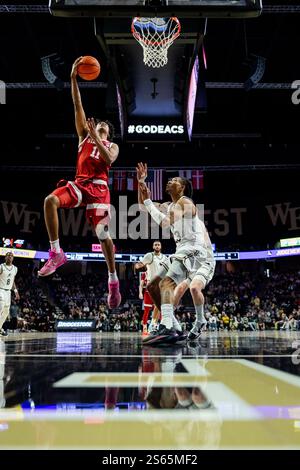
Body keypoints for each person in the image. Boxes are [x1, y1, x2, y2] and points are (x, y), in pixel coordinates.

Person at [38, 57, 121, 309]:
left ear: (108, 131)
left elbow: (108, 160)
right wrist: (73, 78)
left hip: (99, 190)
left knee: (103, 235)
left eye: (105, 125)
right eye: (100, 124)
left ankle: (113, 279)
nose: (101, 123)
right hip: (80, 184)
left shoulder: (112, 145)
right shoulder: (84, 136)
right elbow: (77, 104)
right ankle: (56, 252)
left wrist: (97, 136)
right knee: (49, 200)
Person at [136, 162, 215, 345]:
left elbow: (164, 223)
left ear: (183, 187)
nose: (170, 180)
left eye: (175, 179)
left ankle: (167, 326)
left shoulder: (185, 202)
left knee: (167, 283)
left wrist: (148, 201)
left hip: (194, 251)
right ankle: (175, 324)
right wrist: (141, 183)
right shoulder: (170, 205)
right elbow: (143, 206)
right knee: (153, 286)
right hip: (181, 251)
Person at [135, 241, 169, 335]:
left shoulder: (165, 258)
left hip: (161, 285)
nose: (157, 246)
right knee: (149, 309)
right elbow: (141, 263)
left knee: (160, 307)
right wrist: (137, 265)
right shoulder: (149, 256)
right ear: (153, 246)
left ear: (161, 246)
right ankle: (147, 326)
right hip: (151, 285)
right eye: (155, 245)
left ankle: (158, 325)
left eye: (158, 245)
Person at [0, 252, 20, 336]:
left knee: (6, 311)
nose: (10, 257)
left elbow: (12, 281)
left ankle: (0, 328)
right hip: (0, 290)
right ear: (5, 258)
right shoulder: (1, 266)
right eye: (8, 255)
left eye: (11, 256)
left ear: (13, 258)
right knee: (0, 308)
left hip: (8, 292)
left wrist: (16, 292)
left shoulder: (15, 268)